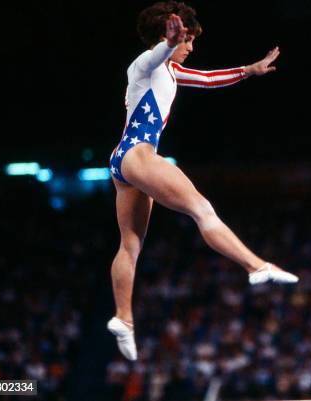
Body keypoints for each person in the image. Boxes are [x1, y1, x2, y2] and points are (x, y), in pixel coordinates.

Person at [106, 1, 298, 361]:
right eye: (187, 40)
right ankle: (256, 266)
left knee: (130, 245)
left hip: (124, 161)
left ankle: (124, 319)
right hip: (138, 154)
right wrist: (168, 42)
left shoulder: (171, 71)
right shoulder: (144, 64)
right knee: (203, 210)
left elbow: (209, 79)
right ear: (169, 35)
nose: (191, 48)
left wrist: (249, 70)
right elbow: (154, 58)